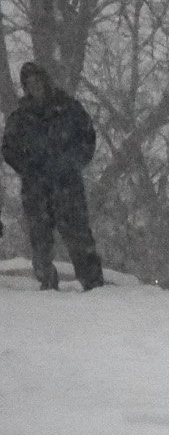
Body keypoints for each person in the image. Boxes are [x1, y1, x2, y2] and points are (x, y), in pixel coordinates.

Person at [2, 61, 105, 290]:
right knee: (40, 245)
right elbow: (9, 149)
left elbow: (87, 140)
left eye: (37, 81)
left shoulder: (69, 109)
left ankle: (95, 288)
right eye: (28, 84)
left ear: (46, 82)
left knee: (79, 240)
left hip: (67, 187)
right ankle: (47, 288)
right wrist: (28, 167)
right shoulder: (20, 118)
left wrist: (69, 164)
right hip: (35, 190)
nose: (34, 87)